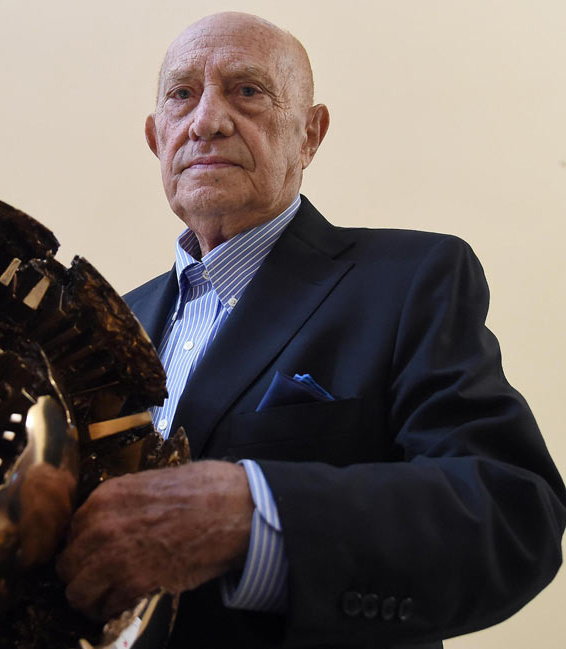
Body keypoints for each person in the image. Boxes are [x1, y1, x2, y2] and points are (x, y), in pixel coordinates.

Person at [56, 12, 566, 648]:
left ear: (310, 134)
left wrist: (256, 514)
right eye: (182, 94)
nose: (207, 120)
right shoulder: (104, 326)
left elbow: (511, 513)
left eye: (247, 91)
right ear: (157, 137)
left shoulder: (410, 280)